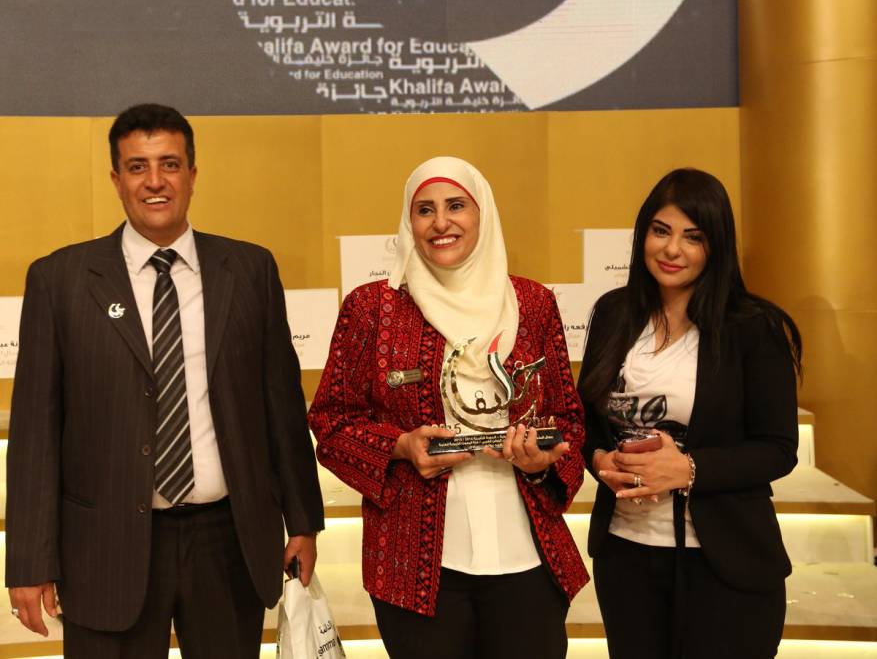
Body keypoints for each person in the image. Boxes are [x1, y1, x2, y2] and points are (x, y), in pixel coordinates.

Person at [5, 103, 325, 658]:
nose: (155, 181)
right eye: (138, 167)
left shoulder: (250, 270)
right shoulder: (60, 281)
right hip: (104, 546)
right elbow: (35, 431)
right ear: (116, 179)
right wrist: (30, 561)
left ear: (192, 175)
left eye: (170, 164)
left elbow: (281, 407)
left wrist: (303, 521)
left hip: (228, 541)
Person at [308, 156, 588, 659]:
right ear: (408, 222)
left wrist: (543, 462)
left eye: (456, 206)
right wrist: (401, 445)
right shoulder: (373, 308)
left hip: (527, 556)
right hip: (413, 566)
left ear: (483, 214)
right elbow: (330, 421)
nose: (441, 222)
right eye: (425, 210)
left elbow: (568, 419)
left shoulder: (534, 304)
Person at [577, 168, 803, 659]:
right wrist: (599, 459)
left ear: (716, 246)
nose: (672, 249)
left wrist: (688, 469)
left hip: (725, 563)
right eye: (661, 231)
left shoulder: (753, 326)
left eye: (693, 237)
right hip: (626, 555)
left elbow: (778, 448)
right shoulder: (614, 313)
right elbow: (588, 423)